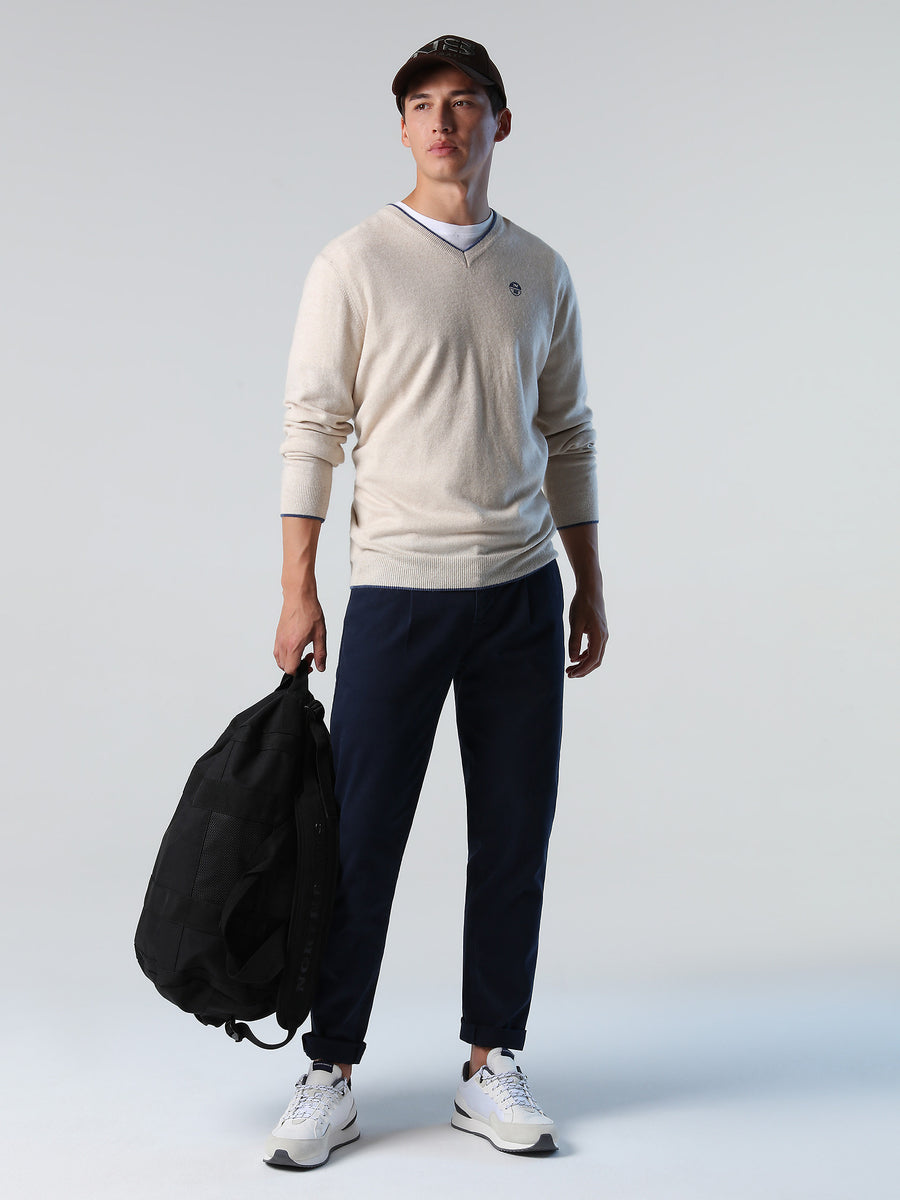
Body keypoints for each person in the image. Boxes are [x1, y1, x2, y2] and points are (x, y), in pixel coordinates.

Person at [266, 34, 608, 1170]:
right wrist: (298, 589)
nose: (444, 122)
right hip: (397, 597)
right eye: (423, 105)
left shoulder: (541, 271)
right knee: (360, 839)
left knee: (513, 837)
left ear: (502, 122)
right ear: (403, 127)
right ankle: (330, 1069)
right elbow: (313, 428)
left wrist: (590, 580)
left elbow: (569, 433)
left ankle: (489, 1061)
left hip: (521, 594)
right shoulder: (353, 264)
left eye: (465, 103)